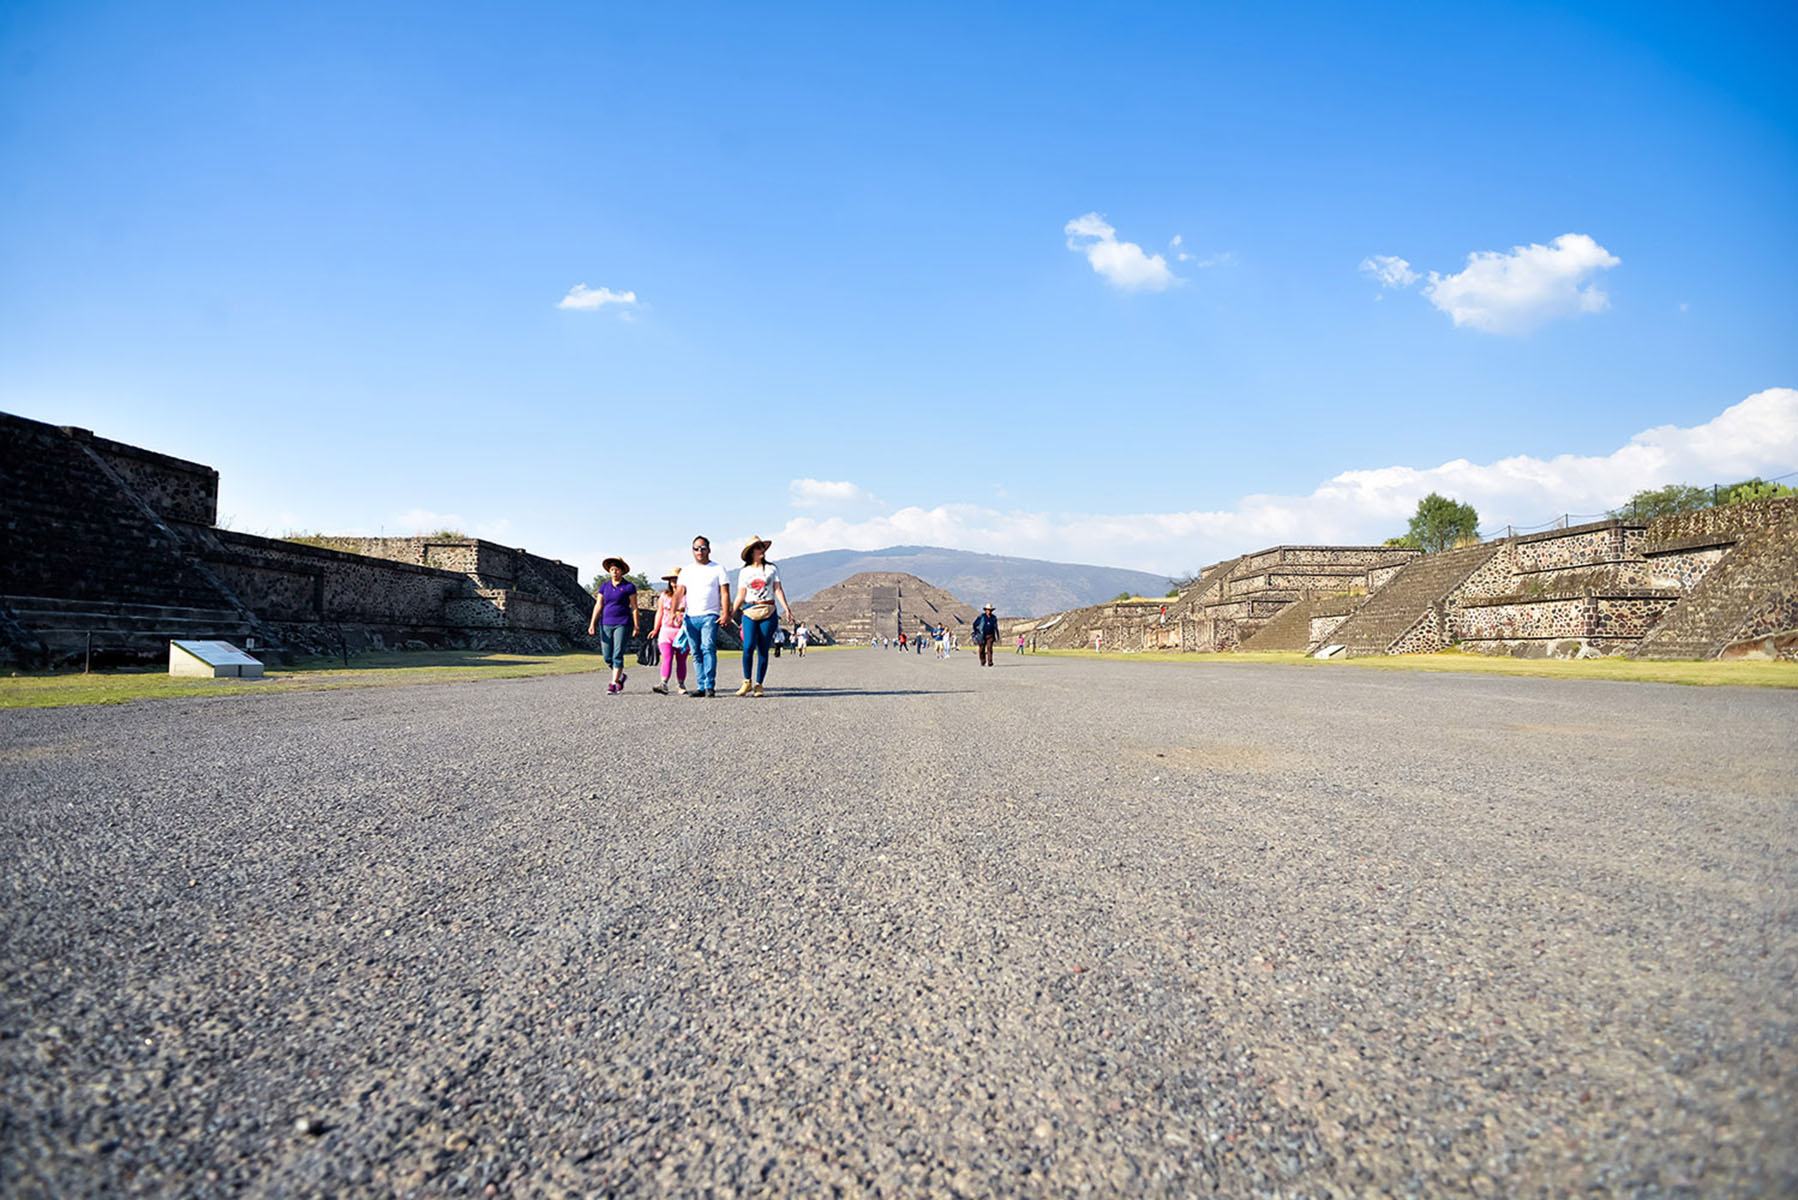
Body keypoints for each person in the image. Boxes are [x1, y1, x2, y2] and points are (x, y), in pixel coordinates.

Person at [732, 535, 795, 697]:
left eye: (762, 547)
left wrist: (787, 609)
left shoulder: (772, 569)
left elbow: (778, 590)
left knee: (763, 649)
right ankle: (747, 681)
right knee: (748, 646)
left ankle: (759, 684)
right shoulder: (744, 572)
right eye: (758, 547)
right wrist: (730, 612)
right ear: (751, 552)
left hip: (768, 610)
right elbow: (741, 594)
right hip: (750, 610)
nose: (762, 550)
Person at [677, 535, 733, 698]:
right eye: (696, 548)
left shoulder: (718, 568)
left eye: (702, 548)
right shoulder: (686, 571)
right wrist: (674, 611)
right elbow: (679, 592)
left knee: (707, 648)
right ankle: (701, 686)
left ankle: (709, 685)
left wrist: (725, 613)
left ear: (709, 549)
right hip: (690, 616)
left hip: (710, 614)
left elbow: (724, 592)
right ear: (692, 551)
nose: (699, 551)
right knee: (695, 652)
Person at [586, 556, 641, 694]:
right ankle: (621, 676)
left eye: (617, 570)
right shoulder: (604, 586)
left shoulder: (629, 587)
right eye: (612, 570)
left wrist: (636, 625)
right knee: (607, 656)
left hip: (622, 623)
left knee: (617, 654)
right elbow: (598, 605)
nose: (614, 572)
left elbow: (634, 607)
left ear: (622, 571)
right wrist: (592, 623)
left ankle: (613, 683)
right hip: (606, 623)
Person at [649, 567, 689, 694]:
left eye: (677, 580)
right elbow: (659, 612)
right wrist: (656, 628)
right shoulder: (664, 596)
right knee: (667, 657)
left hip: (682, 632)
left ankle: (681, 684)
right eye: (672, 580)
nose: (674, 583)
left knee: (681, 660)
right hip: (666, 631)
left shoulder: (688, 596)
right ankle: (664, 683)